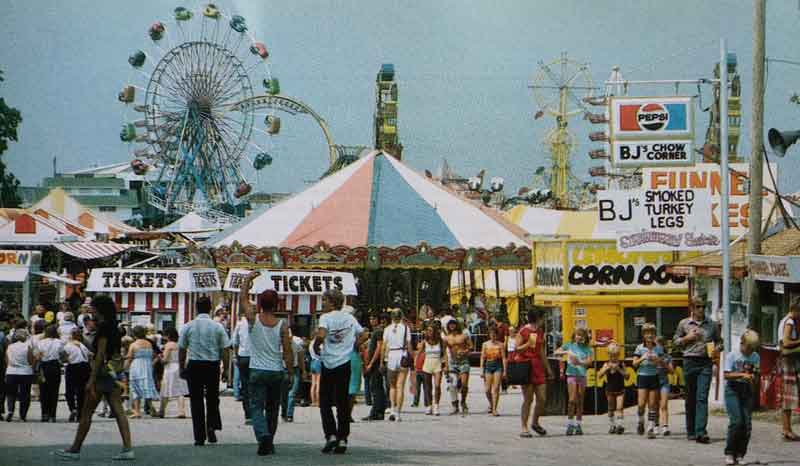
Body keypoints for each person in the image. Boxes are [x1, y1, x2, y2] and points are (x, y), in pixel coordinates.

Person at [54, 294, 135, 461]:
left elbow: (100, 355)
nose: (91, 310)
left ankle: (75, 449)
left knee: (86, 412)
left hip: (101, 374)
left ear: (100, 309)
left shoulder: (104, 328)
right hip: (111, 374)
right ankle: (127, 448)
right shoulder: (114, 327)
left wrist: (91, 379)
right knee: (119, 412)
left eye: (94, 308)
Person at [239, 272, 295, 456]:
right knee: (273, 408)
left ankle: (262, 435)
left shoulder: (253, 320)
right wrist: (290, 372)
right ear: (277, 304)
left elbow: (243, 301)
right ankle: (269, 439)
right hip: (275, 370)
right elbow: (287, 351)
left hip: (257, 369)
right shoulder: (282, 325)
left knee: (256, 406)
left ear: (260, 304)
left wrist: (247, 281)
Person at [312, 288, 366, 454]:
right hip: (345, 362)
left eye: (325, 300)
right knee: (342, 401)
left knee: (325, 401)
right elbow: (364, 333)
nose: (323, 303)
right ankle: (343, 438)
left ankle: (331, 435)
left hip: (329, 363)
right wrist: (354, 345)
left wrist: (316, 344)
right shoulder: (349, 318)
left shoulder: (326, 317)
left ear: (332, 302)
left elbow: (321, 335)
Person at [178, 296, 231, 446]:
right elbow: (225, 349)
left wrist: (182, 367)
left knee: (196, 400)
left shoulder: (188, 326)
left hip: (194, 365)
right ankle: (212, 427)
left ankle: (199, 436)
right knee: (213, 399)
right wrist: (226, 369)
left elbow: (182, 349)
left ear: (196, 308)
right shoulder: (217, 327)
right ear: (209, 308)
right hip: (212, 365)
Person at [673, 296, 720, 444]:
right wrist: (688, 338)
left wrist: (717, 349)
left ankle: (701, 432)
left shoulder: (711, 324)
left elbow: (720, 341)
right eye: (698, 307)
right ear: (692, 308)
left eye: (703, 307)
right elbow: (675, 342)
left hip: (705, 362)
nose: (701, 310)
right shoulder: (684, 323)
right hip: (689, 361)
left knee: (702, 397)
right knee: (690, 397)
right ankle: (691, 430)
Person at [722, 329, 760, 465]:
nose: (750, 351)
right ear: (742, 343)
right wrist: (742, 375)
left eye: (753, 349)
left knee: (747, 424)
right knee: (737, 421)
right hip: (733, 390)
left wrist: (753, 379)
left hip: (746, 390)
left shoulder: (755, 357)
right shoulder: (732, 355)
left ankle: (740, 454)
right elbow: (726, 375)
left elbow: (756, 374)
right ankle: (730, 452)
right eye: (748, 348)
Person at [516, 309, 553, 437]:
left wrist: (548, 368)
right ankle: (524, 427)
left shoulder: (540, 331)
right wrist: (528, 344)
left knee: (542, 398)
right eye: (543, 317)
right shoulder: (523, 331)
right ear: (538, 318)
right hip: (526, 366)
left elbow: (541, 351)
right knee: (528, 399)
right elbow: (517, 349)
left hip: (538, 366)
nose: (544, 320)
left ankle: (535, 422)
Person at [555, 327, 592, 436]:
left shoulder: (587, 348)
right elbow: (556, 352)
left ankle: (579, 424)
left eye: (582, 335)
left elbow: (589, 362)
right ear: (574, 336)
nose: (579, 337)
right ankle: (570, 423)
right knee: (572, 400)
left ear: (585, 337)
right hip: (571, 375)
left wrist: (579, 362)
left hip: (582, 375)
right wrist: (566, 352)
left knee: (580, 400)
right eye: (577, 335)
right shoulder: (569, 345)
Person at [633, 323, 664, 439]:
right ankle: (641, 421)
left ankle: (650, 428)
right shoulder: (639, 348)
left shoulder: (658, 348)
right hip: (642, 376)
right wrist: (643, 357)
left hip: (654, 376)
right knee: (641, 404)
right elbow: (634, 363)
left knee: (652, 404)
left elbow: (662, 364)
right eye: (647, 333)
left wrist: (656, 360)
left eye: (652, 333)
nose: (650, 335)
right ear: (643, 335)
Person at [381, 308, 411, 422]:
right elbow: (408, 344)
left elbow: (384, 346)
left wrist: (382, 361)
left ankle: (392, 408)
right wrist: (412, 357)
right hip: (402, 354)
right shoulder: (405, 328)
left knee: (392, 386)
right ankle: (398, 412)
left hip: (391, 355)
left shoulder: (387, 329)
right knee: (400, 385)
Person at [126, 326, 160, 418]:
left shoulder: (133, 344)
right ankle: (151, 408)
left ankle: (137, 411)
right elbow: (154, 355)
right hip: (147, 366)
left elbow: (129, 357)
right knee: (147, 386)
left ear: (134, 334)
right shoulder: (149, 344)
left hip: (137, 366)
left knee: (135, 387)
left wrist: (126, 368)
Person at [779, 298, 800, 441]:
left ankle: (787, 429)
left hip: (787, 361)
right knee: (788, 397)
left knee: (788, 397)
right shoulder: (790, 322)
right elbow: (786, 342)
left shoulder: (785, 319)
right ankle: (786, 429)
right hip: (788, 361)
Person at [443, 318, 472, 416]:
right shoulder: (447, 338)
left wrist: (465, 351)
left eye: (453, 324)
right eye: (450, 325)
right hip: (453, 362)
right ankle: (454, 405)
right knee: (452, 385)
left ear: (457, 325)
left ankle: (463, 402)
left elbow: (471, 347)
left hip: (464, 362)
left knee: (464, 384)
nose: (452, 326)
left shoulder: (464, 336)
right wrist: (446, 365)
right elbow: (444, 353)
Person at [36, 324, 64, 422]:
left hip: (44, 366)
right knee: (54, 391)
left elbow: (38, 355)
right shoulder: (59, 342)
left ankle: (44, 414)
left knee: (43, 391)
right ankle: (53, 415)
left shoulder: (41, 342)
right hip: (55, 366)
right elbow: (61, 354)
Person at [4, 329, 34, 422]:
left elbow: (7, 360)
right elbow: (30, 361)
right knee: (25, 395)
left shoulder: (10, 347)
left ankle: (10, 411)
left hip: (11, 372)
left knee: (11, 394)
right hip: (25, 373)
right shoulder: (27, 347)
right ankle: (23, 415)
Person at [158, 328, 188, 418]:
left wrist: (160, 357)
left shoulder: (168, 345)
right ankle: (181, 411)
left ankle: (162, 411)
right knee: (180, 391)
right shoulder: (180, 345)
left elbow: (165, 360)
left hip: (170, 368)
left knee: (165, 390)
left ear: (168, 336)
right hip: (179, 367)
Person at [64, 328, 91, 423]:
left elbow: (64, 358)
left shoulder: (68, 345)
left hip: (72, 367)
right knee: (81, 391)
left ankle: (73, 408)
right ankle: (80, 413)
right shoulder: (83, 345)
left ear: (72, 335)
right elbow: (90, 355)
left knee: (69, 390)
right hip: (84, 367)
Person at [362, 314, 386, 421]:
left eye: (374, 318)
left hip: (375, 364)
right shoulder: (375, 331)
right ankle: (379, 411)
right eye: (371, 318)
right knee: (376, 387)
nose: (372, 320)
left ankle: (376, 411)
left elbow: (379, 347)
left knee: (376, 387)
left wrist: (371, 363)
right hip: (373, 363)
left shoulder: (379, 331)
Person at [598, 342, 625, 434]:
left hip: (620, 389)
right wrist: (605, 369)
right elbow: (599, 375)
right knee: (610, 408)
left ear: (618, 355)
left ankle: (620, 425)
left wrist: (619, 369)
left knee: (620, 407)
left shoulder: (621, 364)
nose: (614, 358)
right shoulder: (606, 364)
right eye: (612, 356)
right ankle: (612, 425)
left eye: (616, 356)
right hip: (609, 390)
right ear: (608, 355)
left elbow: (627, 376)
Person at [419, 320, 444, 416]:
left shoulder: (440, 341)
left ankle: (436, 406)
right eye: (428, 330)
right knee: (427, 387)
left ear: (435, 331)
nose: (430, 332)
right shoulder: (424, 342)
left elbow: (444, 354)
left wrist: (446, 365)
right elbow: (419, 353)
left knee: (437, 386)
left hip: (437, 363)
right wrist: (414, 363)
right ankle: (429, 406)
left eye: (431, 330)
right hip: (427, 364)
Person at [480, 325, 506, 416]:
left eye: (494, 334)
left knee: (496, 388)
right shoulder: (485, 344)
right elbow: (483, 357)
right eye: (491, 334)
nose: (493, 336)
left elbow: (503, 357)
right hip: (488, 366)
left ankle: (494, 409)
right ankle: (491, 404)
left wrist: (505, 370)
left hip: (498, 366)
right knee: (487, 390)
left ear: (497, 335)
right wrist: (481, 369)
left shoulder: (501, 344)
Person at [231, 314, 252, 424]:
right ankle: (255, 412)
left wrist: (235, 355)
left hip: (243, 356)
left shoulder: (239, 324)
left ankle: (248, 414)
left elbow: (234, 342)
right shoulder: (258, 323)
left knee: (245, 385)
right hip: (255, 357)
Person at [281, 329, 306, 423]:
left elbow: (301, 358)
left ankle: (289, 414)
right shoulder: (279, 345)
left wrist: (303, 371)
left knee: (292, 393)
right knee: (283, 394)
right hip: (283, 369)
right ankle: (284, 413)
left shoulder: (297, 344)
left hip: (294, 369)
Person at [656, 336, 674, 436]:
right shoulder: (652, 356)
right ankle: (655, 425)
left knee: (664, 405)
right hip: (653, 383)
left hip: (664, 383)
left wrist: (664, 364)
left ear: (663, 346)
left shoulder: (667, 357)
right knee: (654, 405)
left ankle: (665, 427)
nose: (658, 347)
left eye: (660, 345)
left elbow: (672, 371)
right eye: (656, 345)